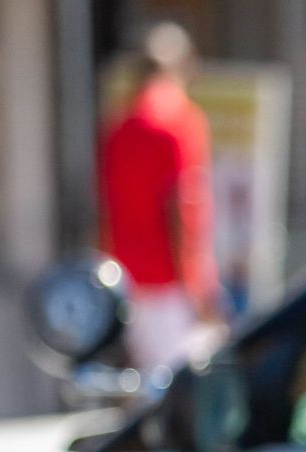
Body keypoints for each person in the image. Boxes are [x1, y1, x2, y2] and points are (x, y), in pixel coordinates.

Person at [99, 21, 219, 378]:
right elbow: (183, 208)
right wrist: (197, 284)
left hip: (127, 278)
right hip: (170, 282)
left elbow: (105, 210)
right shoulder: (181, 120)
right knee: (181, 390)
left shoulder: (119, 127)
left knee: (142, 385)